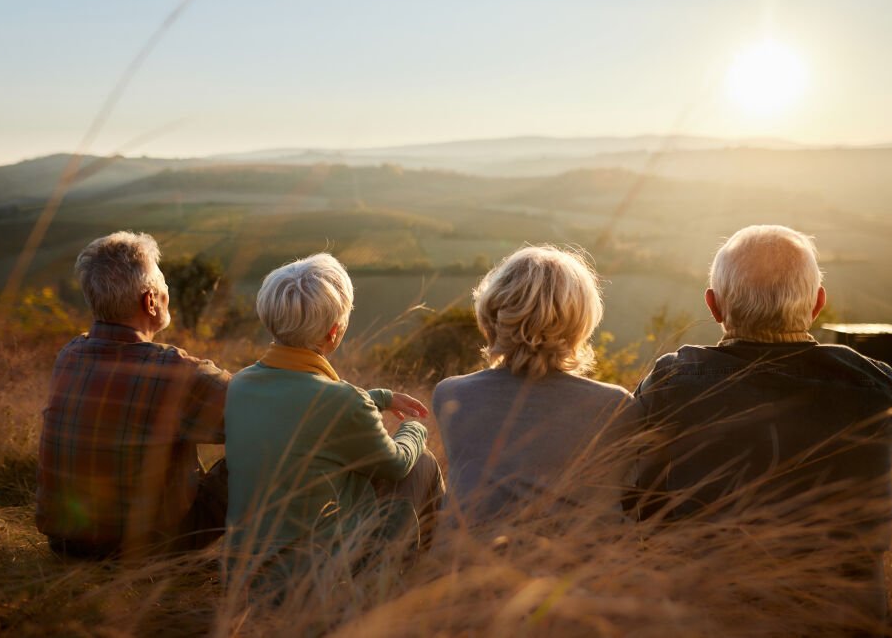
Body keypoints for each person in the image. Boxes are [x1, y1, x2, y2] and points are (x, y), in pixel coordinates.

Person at [630, 225, 892, 628]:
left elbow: (638, 496)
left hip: (702, 623)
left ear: (714, 306)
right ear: (817, 305)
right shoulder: (876, 386)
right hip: (850, 625)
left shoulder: (673, 382)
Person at [224, 253, 445, 587]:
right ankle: (414, 583)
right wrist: (415, 428)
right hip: (318, 579)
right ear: (333, 332)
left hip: (246, 577)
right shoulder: (342, 401)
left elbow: (299, 416)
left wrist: (378, 398)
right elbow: (397, 464)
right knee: (422, 463)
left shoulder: (240, 384)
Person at [37, 231, 230, 558]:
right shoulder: (172, 369)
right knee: (255, 451)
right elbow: (261, 410)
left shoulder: (69, 355)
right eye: (163, 285)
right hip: (151, 547)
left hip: (67, 544)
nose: (168, 292)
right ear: (150, 301)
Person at [433, 245, 638, 525]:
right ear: (581, 322)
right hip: (580, 564)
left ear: (491, 314)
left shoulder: (451, 394)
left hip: (463, 564)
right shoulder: (616, 405)